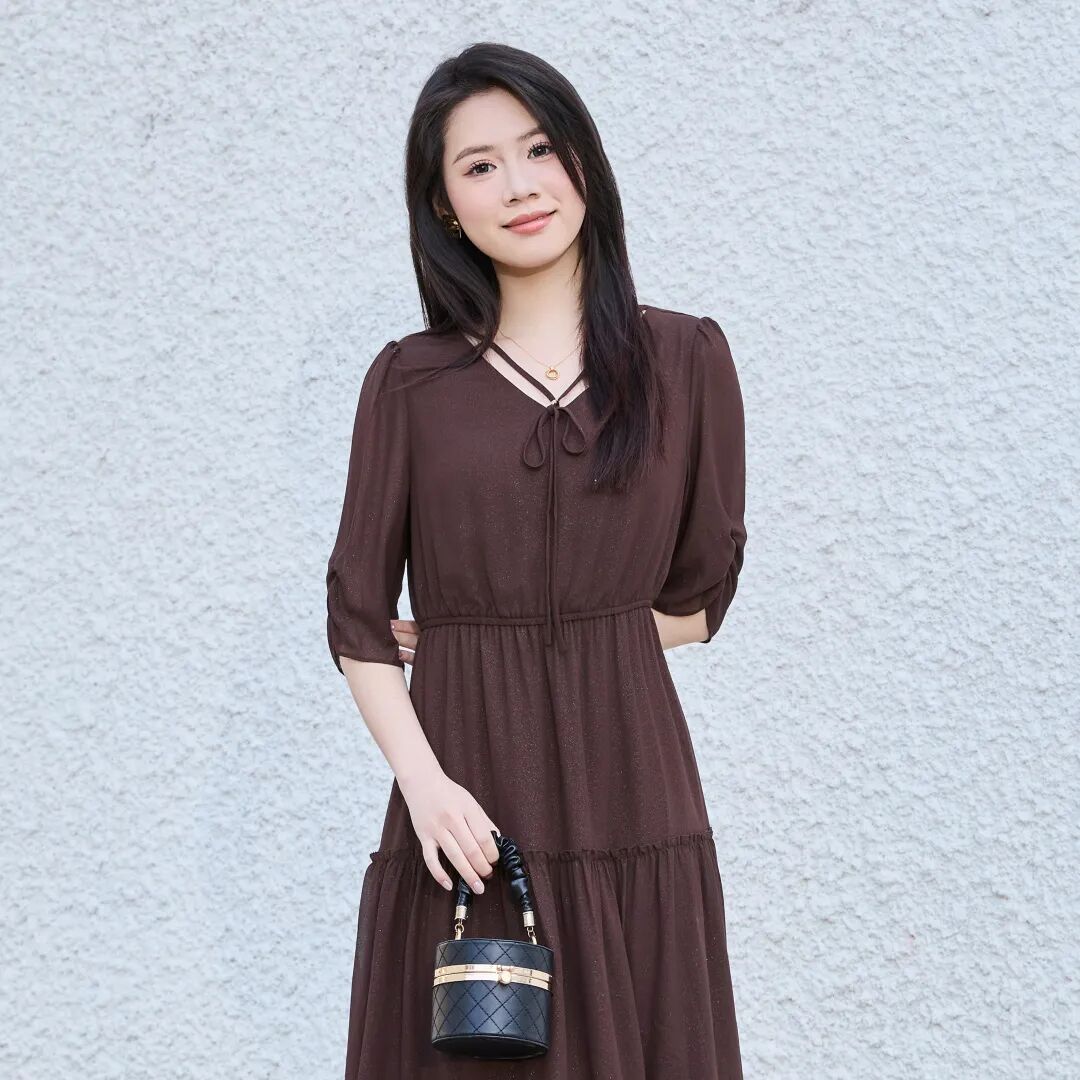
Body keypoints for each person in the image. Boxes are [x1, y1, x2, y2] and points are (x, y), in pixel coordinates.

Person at [325, 41, 747, 1079]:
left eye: (539, 149)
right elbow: (357, 618)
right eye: (479, 166)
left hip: (632, 781)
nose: (518, 185)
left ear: (583, 162)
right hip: (467, 797)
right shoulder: (409, 382)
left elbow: (700, 600)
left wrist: (567, 632)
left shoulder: (687, 359)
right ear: (444, 206)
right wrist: (426, 785)